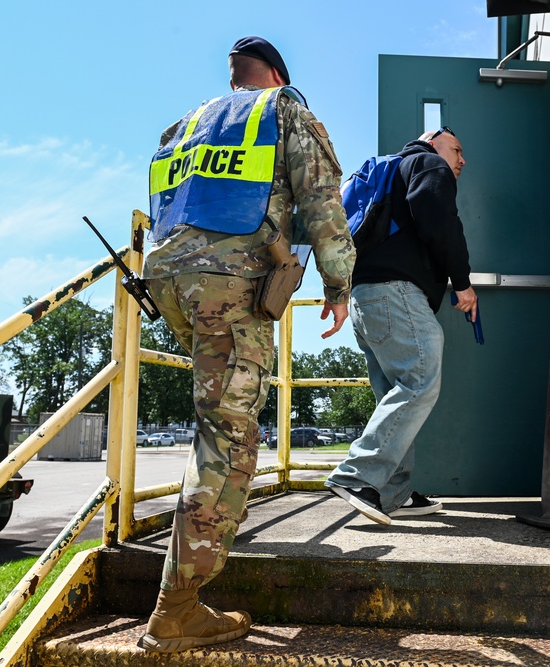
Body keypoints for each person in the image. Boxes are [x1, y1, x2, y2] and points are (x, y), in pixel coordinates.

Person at [138, 36, 355, 653]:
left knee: (214, 422)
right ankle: (176, 608)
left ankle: (182, 594)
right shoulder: (283, 109)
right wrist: (338, 283)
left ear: (233, 77)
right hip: (231, 285)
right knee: (229, 437)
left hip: (173, 282)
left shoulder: (186, 126)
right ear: (276, 75)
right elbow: (319, 199)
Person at [326, 127, 477, 526]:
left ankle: (392, 492)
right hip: (393, 294)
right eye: (457, 150)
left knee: (393, 393)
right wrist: (461, 282)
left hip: (365, 299)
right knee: (420, 377)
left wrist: (338, 291)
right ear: (433, 142)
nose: (461, 160)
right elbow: (436, 214)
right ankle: (357, 476)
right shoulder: (427, 163)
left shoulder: (388, 172)